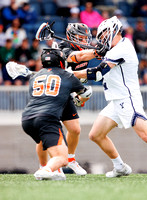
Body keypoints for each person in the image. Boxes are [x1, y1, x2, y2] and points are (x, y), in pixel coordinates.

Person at [73, 16, 147, 178]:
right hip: (117, 100)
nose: (101, 40)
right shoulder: (114, 49)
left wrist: (70, 74)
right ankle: (120, 167)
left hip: (127, 99)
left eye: (103, 36)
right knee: (96, 134)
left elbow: (97, 73)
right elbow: (89, 56)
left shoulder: (121, 49)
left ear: (112, 32)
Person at [32, 23, 107, 176]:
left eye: (86, 38)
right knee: (45, 136)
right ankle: (45, 166)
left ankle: (70, 159)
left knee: (75, 129)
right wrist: (95, 52)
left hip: (65, 92)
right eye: (81, 38)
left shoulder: (85, 49)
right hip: (52, 95)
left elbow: (78, 72)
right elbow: (77, 57)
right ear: (71, 37)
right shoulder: (62, 48)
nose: (84, 41)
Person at [21, 48, 92, 180]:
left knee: (43, 141)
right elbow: (85, 93)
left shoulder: (34, 77)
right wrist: (80, 99)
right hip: (47, 118)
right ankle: (46, 170)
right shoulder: (67, 76)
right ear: (60, 61)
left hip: (27, 118)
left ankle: (45, 167)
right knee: (62, 158)